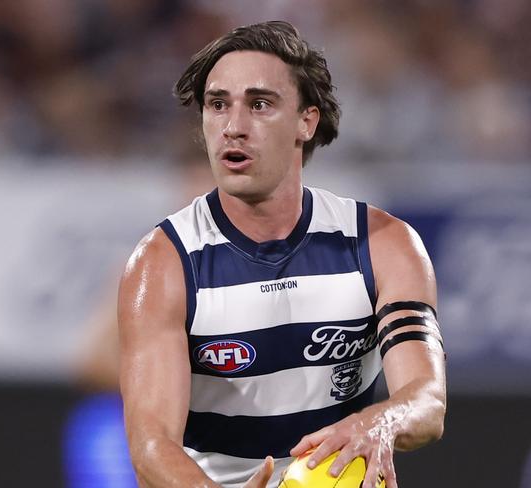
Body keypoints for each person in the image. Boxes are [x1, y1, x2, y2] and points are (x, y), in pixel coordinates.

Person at [117, 21, 446, 488]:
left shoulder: (381, 245)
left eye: (259, 104)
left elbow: (427, 401)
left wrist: (378, 423)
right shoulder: (164, 264)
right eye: (217, 105)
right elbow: (151, 446)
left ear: (306, 121)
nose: (233, 127)